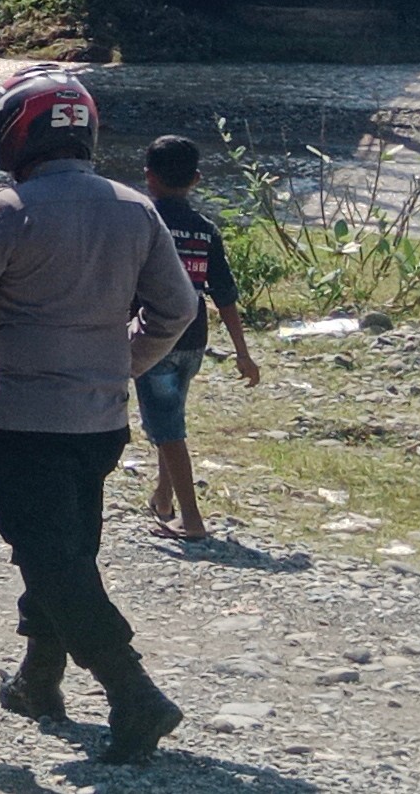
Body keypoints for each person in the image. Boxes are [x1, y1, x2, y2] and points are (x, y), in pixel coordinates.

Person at [0, 66, 196, 765]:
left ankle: (130, 689)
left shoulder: (8, 209)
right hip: (102, 422)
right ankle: (38, 680)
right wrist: (123, 363)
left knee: (47, 553)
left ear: (15, 134)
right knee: (65, 547)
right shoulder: (134, 208)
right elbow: (176, 309)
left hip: (28, 420)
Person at [137, 135, 261, 541]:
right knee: (169, 418)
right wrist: (243, 354)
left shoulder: (143, 222)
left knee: (168, 431)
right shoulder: (205, 231)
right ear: (197, 179)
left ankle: (191, 520)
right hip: (194, 339)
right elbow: (224, 294)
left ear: (148, 178)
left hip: (151, 337)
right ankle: (163, 500)